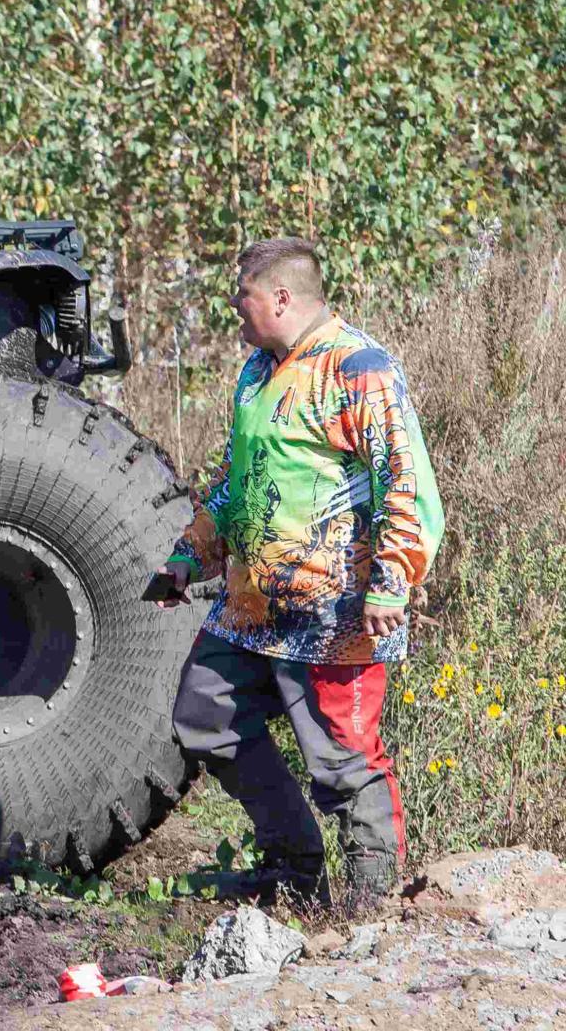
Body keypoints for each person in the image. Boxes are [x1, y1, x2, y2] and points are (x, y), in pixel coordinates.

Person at [154, 237, 443, 904]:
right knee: (205, 713)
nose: (234, 309)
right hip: (254, 608)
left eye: (242, 296)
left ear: (281, 298)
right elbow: (237, 480)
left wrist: (393, 579)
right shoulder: (258, 369)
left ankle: (371, 910)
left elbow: (405, 480)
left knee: (343, 762)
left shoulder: (358, 368)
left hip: (337, 610)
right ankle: (294, 864)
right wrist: (189, 554)